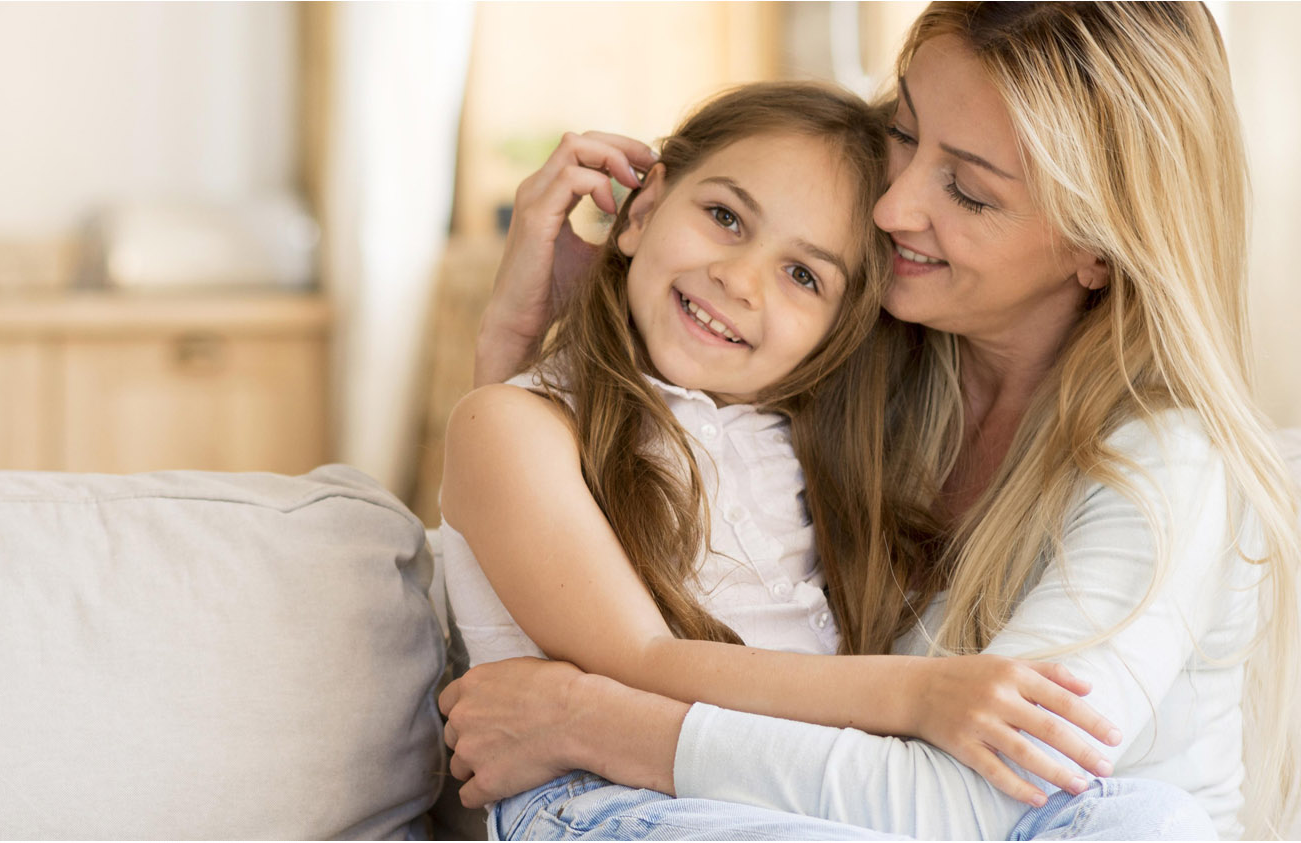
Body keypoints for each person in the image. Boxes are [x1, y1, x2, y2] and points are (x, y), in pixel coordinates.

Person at [439, 2, 1301, 839]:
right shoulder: (866, 373)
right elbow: (559, 503)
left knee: (1150, 821)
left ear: (1097, 249)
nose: (891, 210)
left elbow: (969, 805)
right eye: (904, 131)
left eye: (967, 190)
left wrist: (591, 720)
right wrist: (524, 336)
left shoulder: (1162, 467)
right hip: (692, 811)